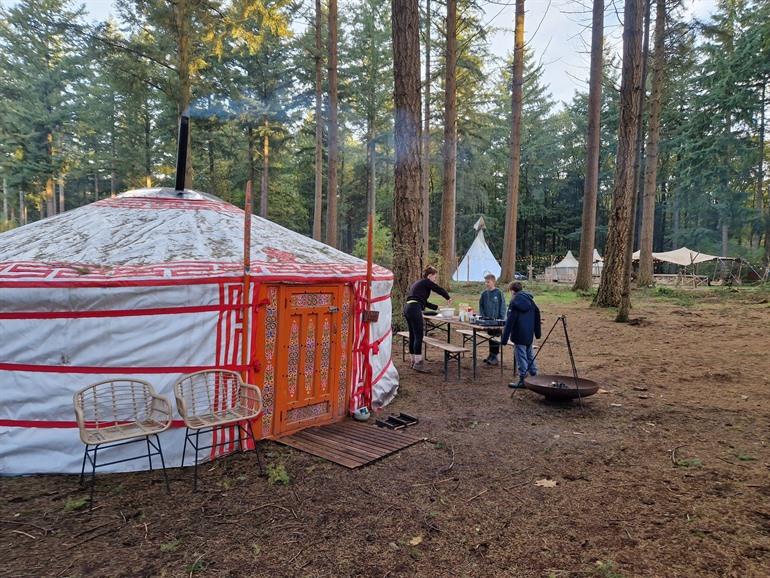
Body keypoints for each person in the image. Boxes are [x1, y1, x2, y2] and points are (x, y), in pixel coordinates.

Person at [403, 266, 451, 373]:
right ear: (429, 276)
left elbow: (423, 301)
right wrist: (447, 297)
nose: (435, 280)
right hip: (414, 308)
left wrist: (437, 307)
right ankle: (418, 363)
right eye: (434, 277)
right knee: (418, 336)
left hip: (408, 308)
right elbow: (438, 289)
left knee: (413, 335)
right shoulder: (426, 282)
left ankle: (413, 361)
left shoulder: (418, 283)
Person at [501, 281, 541, 388]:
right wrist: (537, 333)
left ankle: (523, 379)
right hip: (529, 334)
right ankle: (535, 376)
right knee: (529, 354)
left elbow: (510, 322)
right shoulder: (531, 301)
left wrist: (504, 339)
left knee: (521, 357)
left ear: (512, 291)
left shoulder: (514, 302)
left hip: (518, 334)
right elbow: (537, 316)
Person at [478, 273, 506, 366]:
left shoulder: (498, 293)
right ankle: (491, 355)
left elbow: (503, 306)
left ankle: (495, 356)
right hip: (488, 321)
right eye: (485, 282)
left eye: (488, 282)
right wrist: (483, 317)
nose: (486, 284)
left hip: (497, 321)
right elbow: (481, 306)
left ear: (493, 282)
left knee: (496, 338)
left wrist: (501, 319)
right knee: (490, 337)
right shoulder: (484, 294)